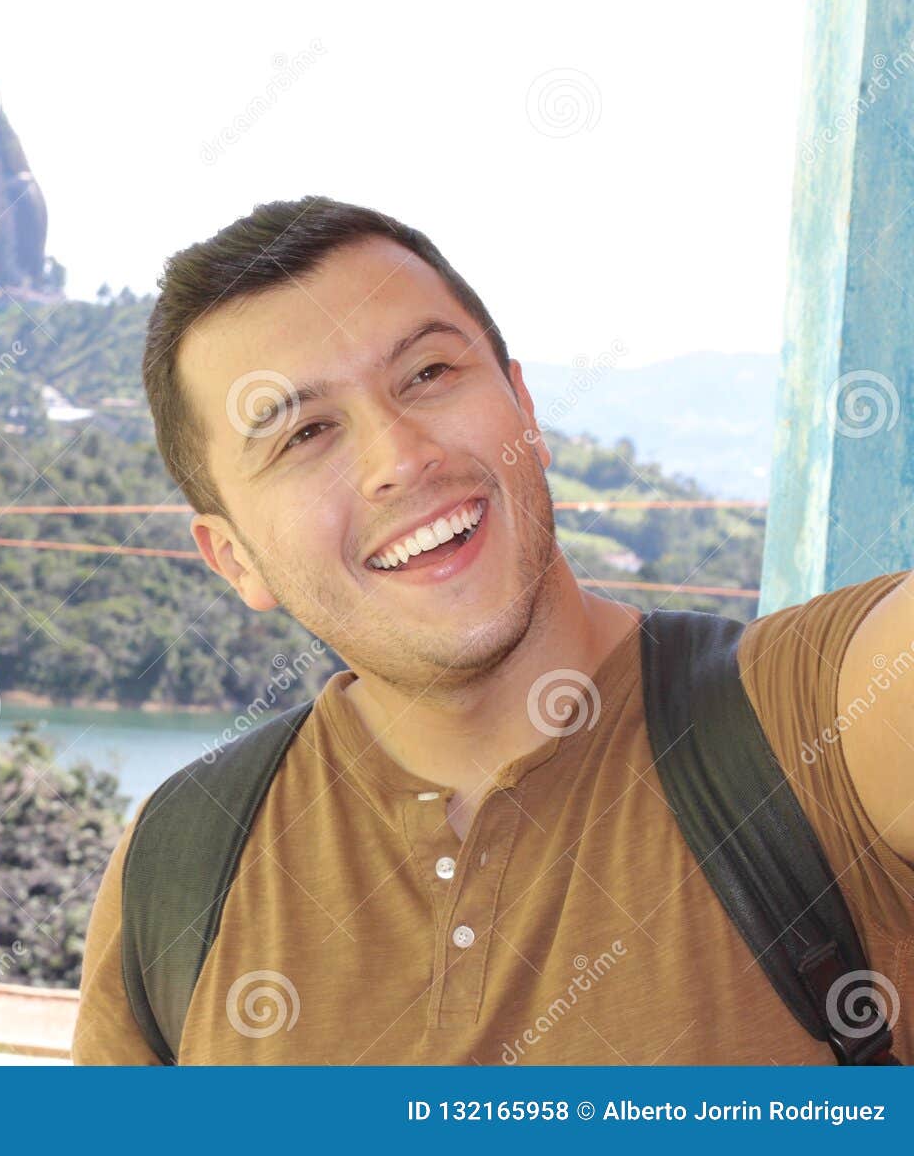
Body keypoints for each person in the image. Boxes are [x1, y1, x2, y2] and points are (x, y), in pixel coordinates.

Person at [72, 195, 914, 1064]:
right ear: (234, 557)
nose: (400, 457)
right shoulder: (181, 867)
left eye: (429, 375)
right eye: (307, 432)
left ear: (524, 407)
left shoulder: (815, 722)